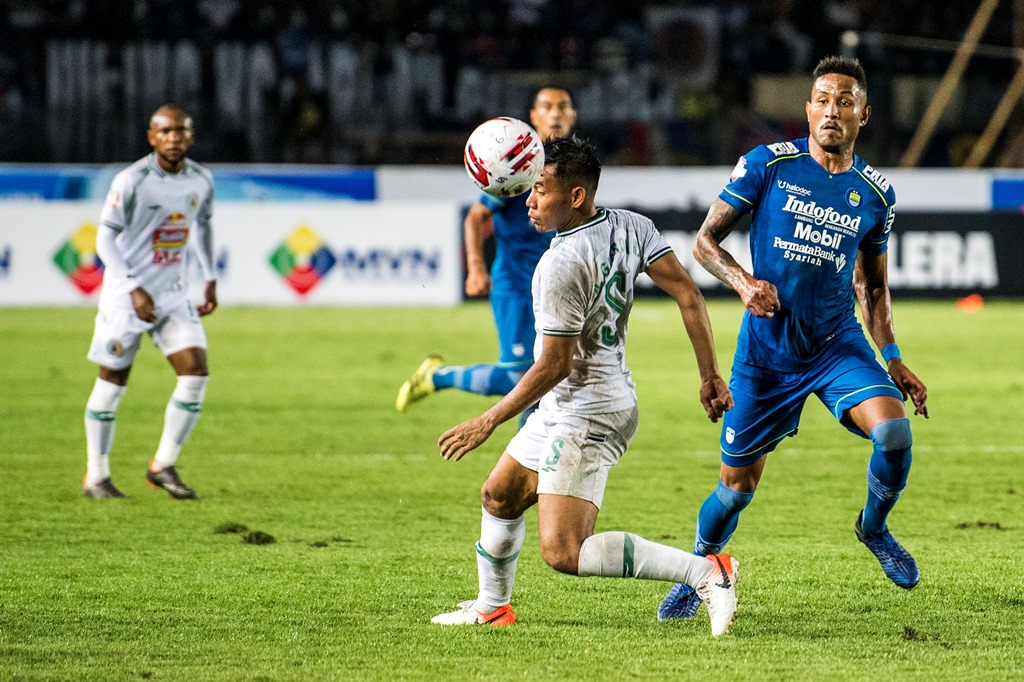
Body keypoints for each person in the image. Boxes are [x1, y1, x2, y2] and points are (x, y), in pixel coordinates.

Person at [431, 136, 739, 636]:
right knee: (500, 495)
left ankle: (706, 572)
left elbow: (555, 363)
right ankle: (492, 606)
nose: (529, 199)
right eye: (528, 188)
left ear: (576, 196)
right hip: (575, 403)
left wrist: (487, 419)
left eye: (541, 189)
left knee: (564, 551)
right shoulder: (632, 225)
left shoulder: (559, 264)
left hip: (588, 411)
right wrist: (708, 375)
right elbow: (688, 295)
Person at [658, 55, 929, 620]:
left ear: (864, 114)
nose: (833, 110)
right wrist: (743, 282)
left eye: (845, 101)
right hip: (766, 355)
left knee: (896, 436)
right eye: (823, 100)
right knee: (735, 490)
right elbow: (705, 244)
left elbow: (873, 290)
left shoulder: (875, 195)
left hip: (836, 346)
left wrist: (895, 358)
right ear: (808, 110)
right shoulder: (767, 165)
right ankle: (699, 570)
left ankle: (872, 529)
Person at [395, 87, 577, 422]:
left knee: (551, 378)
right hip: (517, 287)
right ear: (533, 117)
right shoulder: (517, 165)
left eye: (563, 107)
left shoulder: (571, 166)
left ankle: (531, 466)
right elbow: (476, 216)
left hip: (555, 287)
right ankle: (436, 377)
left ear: (573, 115)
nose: (555, 114)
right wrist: (476, 269)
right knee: (519, 379)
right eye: (547, 107)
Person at [81, 105, 217, 500]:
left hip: (173, 294)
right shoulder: (132, 180)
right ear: (151, 137)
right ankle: (96, 475)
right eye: (165, 131)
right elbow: (105, 239)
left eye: (181, 131)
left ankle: (163, 465)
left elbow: (203, 227)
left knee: (195, 372)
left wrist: (209, 277)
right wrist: (133, 286)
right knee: (112, 382)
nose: (174, 137)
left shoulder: (201, 180)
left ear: (191, 136)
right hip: (126, 298)